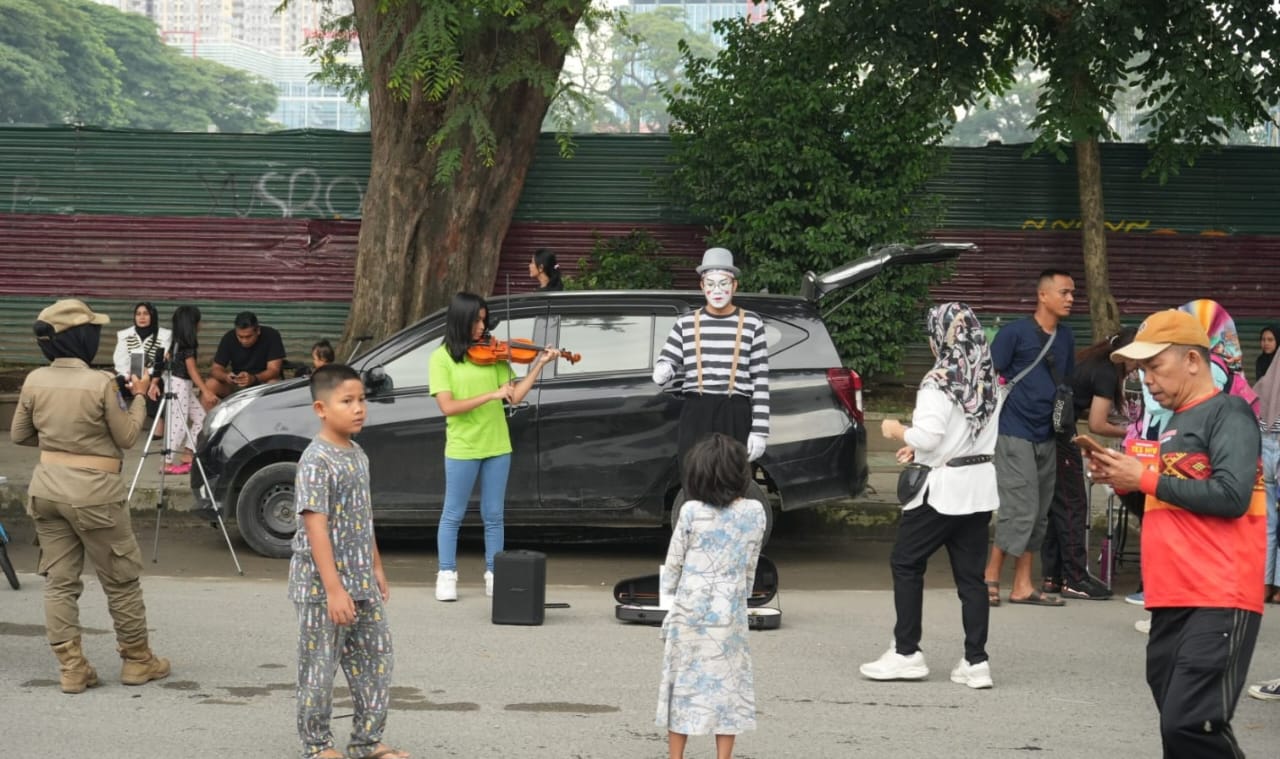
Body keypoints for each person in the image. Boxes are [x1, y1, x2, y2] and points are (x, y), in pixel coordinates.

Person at [1088, 308, 1265, 758]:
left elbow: (1232, 496)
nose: (1146, 379)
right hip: (1172, 596)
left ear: (1192, 360)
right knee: (1177, 726)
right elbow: (1165, 506)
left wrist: (1144, 479)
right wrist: (1124, 482)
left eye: (1154, 366)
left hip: (1219, 595)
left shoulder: (1229, 412)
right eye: (1141, 370)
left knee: (1191, 723)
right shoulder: (1173, 424)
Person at [9, 298, 171, 694]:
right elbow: (127, 436)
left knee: (59, 583)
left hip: (47, 491)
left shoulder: (34, 379)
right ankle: (137, 661)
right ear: (81, 338)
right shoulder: (100, 383)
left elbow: (20, 435)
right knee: (121, 580)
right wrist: (139, 396)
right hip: (95, 494)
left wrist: (61, 442)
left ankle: (72, 669)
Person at [861, 303, 999, 688]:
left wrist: (896, 430)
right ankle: (976, 662)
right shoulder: (988, 379)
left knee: (906, 563)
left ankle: (906, 652)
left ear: (941, 335)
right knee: (972, 580)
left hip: (941, 493)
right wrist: (920, 450)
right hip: (978, 489)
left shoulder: (938, 380)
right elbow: (962, 437)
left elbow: (929, 436)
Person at [288, 364, 407, 759]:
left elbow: (362, 516)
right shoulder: (316, 460)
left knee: (376, 659)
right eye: (347, 401)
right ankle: (317, 745)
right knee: (319, 667)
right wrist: (334, 589)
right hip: (323, 588)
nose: (359, 408)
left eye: (362, 400)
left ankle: (367, 741)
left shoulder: (358, 454)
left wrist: (376, 567)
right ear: (321, 409)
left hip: (361, 581)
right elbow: (316, 528)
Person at [428, 292, 560, 601]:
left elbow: (514, 396)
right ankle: (446, 574)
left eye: (484, 321)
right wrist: (490, 395)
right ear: (460, 319)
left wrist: (538, 365)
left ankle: (494, 574)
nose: (481, 327)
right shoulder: (441, 358)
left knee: (494, 515)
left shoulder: (494, 354)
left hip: (498, 445)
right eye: (476, 321)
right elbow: (448, 406)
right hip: (463, 446)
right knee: (453, 514)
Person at [657, 433, 766, 759]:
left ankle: (676, 756)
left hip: (690, 611)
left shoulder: (691, 511)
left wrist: (668, 598)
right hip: (729, 613)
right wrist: (743, 596)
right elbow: (751, 562)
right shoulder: (754, 512)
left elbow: (674, 562)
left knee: (682, 687)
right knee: (728, 687)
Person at [984, 270, 1075, 607]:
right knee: (1019, 509)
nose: (1070, 299)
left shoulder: (1066, 337)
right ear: (1043, 295)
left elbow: (1065, 382)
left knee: (1038, 513)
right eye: (1064, 292)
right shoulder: (1014, 333)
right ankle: (990, 575)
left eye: (1072, 293)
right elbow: (987, 377)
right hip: (1013, 432)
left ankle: (1023, 585)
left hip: (1047, 434)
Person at [1041, 328, 1138, 601]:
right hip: (1063, 435)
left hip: (1051, 431)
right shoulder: (1107, 373)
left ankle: (1053, 577)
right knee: (1073, 504)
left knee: (1059, 505)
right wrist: (1132, 432)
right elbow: (1097, 423)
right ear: (1127, 355)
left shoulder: (1091, 361)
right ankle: (1075, 578)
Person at [653, 248, 770, 467]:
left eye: (723, 283)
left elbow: (760, 379)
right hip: (697, 409)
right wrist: (664, 368)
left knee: (732, 474)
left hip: (735, 410)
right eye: (710, 283)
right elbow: (668, 358)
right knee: (694, 472)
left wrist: (760, 430)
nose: (717, 290)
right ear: (702, 286)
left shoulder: (752, 323)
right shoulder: (686, 323)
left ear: (734, 285)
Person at [163, 306, 217, 475]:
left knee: (201, 418)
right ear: (192, 324)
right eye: (199, 321)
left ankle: (188, 453)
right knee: (178, 425)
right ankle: (166, 462)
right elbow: (192, 370)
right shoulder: (187, 345)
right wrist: (206, 391)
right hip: (179, 384)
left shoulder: (176, 342)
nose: (201, 324)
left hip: (180, 384)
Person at [112, 301, 171, 424]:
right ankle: (117, 422)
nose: (142, 317)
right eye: (138, 314)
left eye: (146, 314)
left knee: (155, 386)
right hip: (129, 376)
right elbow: (120, 360)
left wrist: (145, 377)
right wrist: (129, 376)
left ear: (152, 316)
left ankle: (157, 425)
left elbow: (161, 361)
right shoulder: (125, 335)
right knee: (113, 386)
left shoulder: (164, 335)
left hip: (154, 377)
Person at [209, 311, 286, 397]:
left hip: (263, 383)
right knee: (211, 384)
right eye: (240, 336)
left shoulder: (271, 335)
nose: (244, 341)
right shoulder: (229, 337)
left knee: (273, 383)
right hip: (237, 384)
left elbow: (274, 370)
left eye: (248, 336)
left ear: (258, 331)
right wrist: (226, 377)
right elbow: (215, 369)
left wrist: (254, 378)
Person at [1253, 360, 1280, 605]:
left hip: (1264, 444)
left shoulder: (1269, 378)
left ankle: (1263, 584)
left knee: (1269, 522)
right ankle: (1279, 587)